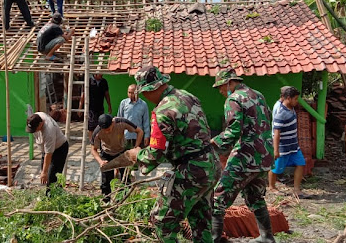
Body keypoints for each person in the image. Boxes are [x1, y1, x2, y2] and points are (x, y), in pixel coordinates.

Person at [125, 66, 220, 242]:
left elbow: (155, 154)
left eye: (144, 92)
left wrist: (137, 155)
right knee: (201, 222)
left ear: (151, 89)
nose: (144, 97)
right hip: (210, 165)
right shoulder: (187, 96)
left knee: (162, 222)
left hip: (190, 171)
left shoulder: (163, 111)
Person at [210, 68, 275, 243]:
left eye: (221, 87)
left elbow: (233, 131)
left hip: (245, 157)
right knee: (255, 197)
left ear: (230, 83)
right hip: (265, 156)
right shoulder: (258, 95)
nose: (221, 92)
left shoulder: (233, 99)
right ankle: (267, 237)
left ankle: (214, 239)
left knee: (218, 198)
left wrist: (211, 145)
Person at [91, 114, 143, 202]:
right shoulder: (97, 132)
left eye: (108, 129)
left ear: (113, 123)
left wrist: (136, 147)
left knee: (126, 180)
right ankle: (106, 202)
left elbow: (140, 131)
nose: (107, 132)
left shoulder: (121, 122)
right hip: (106, 154)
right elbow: (93, 149)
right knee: (106, 182)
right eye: (105, 130)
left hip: (122, 152)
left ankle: (123, 201)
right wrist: (100, 161)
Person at [268, 86, 308, 198]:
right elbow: (276, 133)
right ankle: (271, 186)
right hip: (283, 146)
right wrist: (276, 150)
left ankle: (297, 189)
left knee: (301, 163)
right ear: (288, 98)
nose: (297, 101)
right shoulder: (281, 112)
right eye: (295, 99)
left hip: (293, 146)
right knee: (276, 168)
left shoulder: (291, 108)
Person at [25, 112, 69, 189]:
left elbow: (48, 154)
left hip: (59, 149)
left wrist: (45, 172)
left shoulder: (49, 131)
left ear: (41, 124)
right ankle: (56, 192)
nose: (34, 131)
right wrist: (44, 172)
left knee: (52, 177)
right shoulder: (36, 117)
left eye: (35, 129)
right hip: (45, 149)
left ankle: (51, 198)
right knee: (44, 174)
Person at [80, 74, 112, 139]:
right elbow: (83, 94)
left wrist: (109, 105)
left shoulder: (104, 82)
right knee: (91, 127)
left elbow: (106, 94)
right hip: (91, 108)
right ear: (95, 74)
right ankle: (92, 142)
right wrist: (80, 107)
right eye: (100, 74)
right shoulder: (88, 81)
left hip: (100, 108)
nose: (102, 75)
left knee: (101, 125)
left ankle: (99, 141)